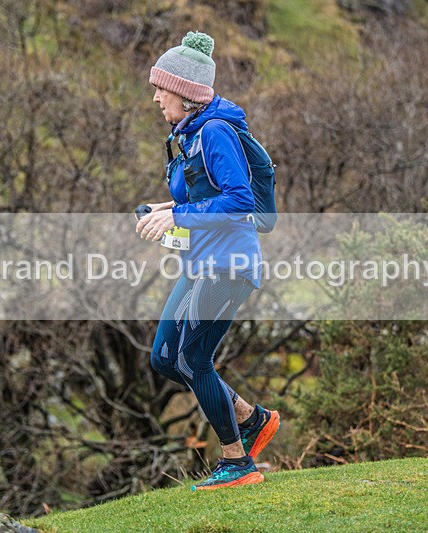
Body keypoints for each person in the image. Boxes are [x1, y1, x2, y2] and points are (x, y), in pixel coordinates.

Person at [135, 31, 280, 491]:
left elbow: (238, 201)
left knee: (193, 358)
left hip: (229, 265)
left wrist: (177, 213)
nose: (156, 96)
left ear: (186, 92)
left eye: (162, 88)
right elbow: (207, 195)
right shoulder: (191, 133)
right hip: (201, 263)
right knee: (164, 358)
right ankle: (251, 418)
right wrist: (166, 209)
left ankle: (237, 461)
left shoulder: (215, 131)